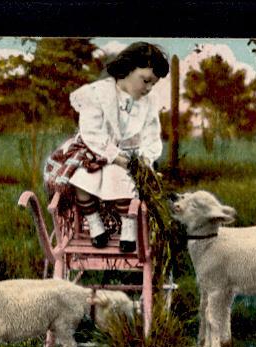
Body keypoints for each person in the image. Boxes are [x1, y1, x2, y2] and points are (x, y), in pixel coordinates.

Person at [44, 41, 169, 252]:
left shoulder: (148, 103)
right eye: (145, 81)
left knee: (120, 178)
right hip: (93, 149)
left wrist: (144, 159)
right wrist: (113, 155)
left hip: (128, 156)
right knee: (82, 179)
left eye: (152, 84)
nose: (148, 88)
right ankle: (95, 224)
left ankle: (128, 229)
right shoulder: (98, 94)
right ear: (129, 69)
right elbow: (91, 132)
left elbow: (151, 136)